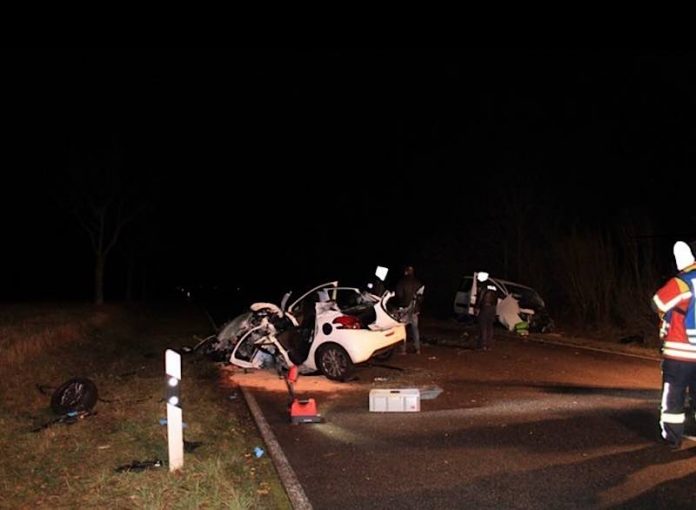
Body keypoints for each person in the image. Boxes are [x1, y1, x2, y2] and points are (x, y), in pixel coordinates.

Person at [651, 240, 696, 450]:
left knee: (674, 396)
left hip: (679, 352)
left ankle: (672, 438)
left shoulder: (682, 282)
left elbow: (657, 303)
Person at [395, 265, 424, 354]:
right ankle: (417, 349)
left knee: (402, 329)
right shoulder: (418, 283)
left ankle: (403, 350)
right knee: (415, 329)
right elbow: (421, 298)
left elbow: (399, 295)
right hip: (415, 310)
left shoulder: (402, 282)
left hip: (404, 310)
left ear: (406, 272)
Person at [475, 271, 499, 351]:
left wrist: (477, 307)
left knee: (483, 326)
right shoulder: (494, 287)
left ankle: (482, 345)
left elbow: (480, 297)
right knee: (490, 327)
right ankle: (489, 345)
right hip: (492, 308)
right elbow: (496, 299)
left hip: (485, 307)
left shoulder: (483, 286)